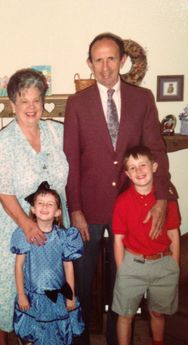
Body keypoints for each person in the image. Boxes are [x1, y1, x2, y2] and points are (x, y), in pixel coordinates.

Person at [63, 32, 176, 345]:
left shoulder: (142, 100)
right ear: (90, 63)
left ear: (122, 61)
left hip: (129, 207)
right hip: (88, 207)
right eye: (98, 60)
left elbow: (156, 149)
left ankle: (117, 339)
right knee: (82, 279)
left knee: (123, 280)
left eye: (111, 58)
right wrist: (75, 209)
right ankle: (80, 337)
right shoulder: (77, 104)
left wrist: (162, 198)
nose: (105, 66)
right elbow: (70, 160)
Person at [0, 68, 69, 345]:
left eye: (36, 100)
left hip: (49, 221)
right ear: (12, 105)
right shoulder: (2, 143)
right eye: (24, 100)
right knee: (9, 287)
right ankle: (9, 337)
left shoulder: (58, 132)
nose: (31, 107)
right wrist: (26, 224)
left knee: (46, 286)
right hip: (10, 222)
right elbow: (4, 193)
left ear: (44, 102)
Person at [112, 145, 180, 345]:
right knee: (126, 315)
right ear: (126, 173)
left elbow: (173, 234)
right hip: (132, 264)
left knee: (158, 313)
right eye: (132, 168)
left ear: (155, 166)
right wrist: (121, 269)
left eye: (143, 165)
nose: (139, 171)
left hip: (163, 263)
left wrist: (174, 266)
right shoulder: (122, 202)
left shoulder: (167, 201)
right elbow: (118, 239)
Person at [10, 181, 85, 345]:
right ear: (32, 209)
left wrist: (70, 296)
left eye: (49, 204)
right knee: (32, 336)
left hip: (57, 297)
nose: (44, 207)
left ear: (58, 212)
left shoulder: (65, 237)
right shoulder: (24, 235)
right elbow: (18, 266)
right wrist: (21, 295)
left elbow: (68, 266)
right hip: (32, 297)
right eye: (40, 203)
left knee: (56, 336)